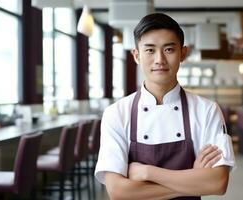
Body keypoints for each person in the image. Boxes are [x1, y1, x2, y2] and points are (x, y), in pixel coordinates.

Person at [95, 13, 235, 200]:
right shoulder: (116, 114)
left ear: (182, 53)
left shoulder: (207, 111)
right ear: (136, 55)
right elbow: (118, 192)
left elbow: (217, 183)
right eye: (150, 50)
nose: (159, 59)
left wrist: (147, 172)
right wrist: (193, 182)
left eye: (169, 50)